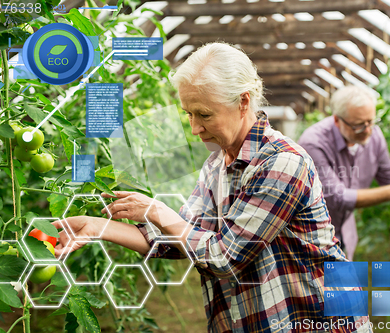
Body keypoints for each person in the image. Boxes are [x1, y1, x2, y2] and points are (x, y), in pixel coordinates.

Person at [53, 43, 372, 332]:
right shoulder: (217, 165)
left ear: (243, 102)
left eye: (204, 114)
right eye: (189, 114)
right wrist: (98, 226)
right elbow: (177, 239)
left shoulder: (282, 163)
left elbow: (225, 258)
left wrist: (160, 211)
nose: (194, 128)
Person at [297, 85, 390, 261]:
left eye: (370, 121)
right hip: (312, 239)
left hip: (344, 234)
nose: (368, 130)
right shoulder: (314, 143)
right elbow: (337, 198)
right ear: (337, 120)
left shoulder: (374, 136)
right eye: (359, 125)